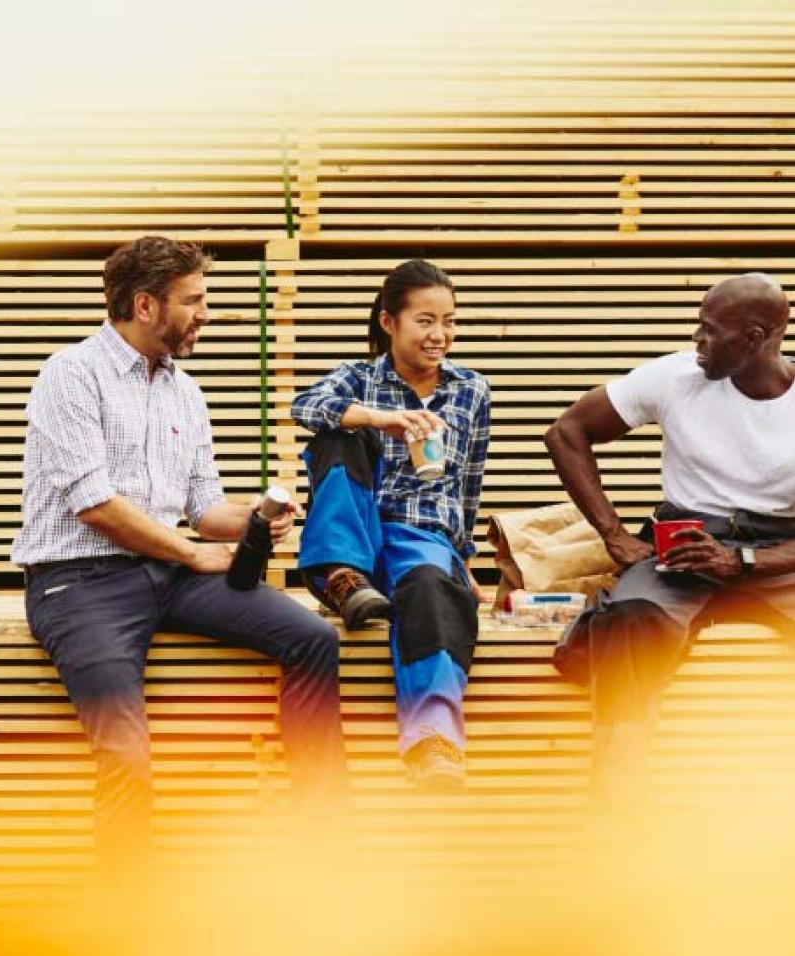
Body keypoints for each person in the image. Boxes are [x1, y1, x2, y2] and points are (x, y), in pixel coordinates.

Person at [11, 236, 347, 866]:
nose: (206, 314)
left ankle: (323, 851)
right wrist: (193, 556)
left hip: (167, 568)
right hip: (78, 583)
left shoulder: (184, 393)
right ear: (145, 305)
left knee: (314, 640)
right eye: (194, 301)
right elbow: (95, 504)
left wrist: (251, 516)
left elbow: (203, 507)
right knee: (124, 749)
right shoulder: (71, 375)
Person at [544, 272, 795, 800]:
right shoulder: (677, 376)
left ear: (754, 338)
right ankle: (620, 782)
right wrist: (614, 535)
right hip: (686, 539)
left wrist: (743, 562)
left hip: (778, 552)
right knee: (629, 617)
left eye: (709, 331)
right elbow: (566, 432)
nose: (696, 342)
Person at [291, 260, 491, 791]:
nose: (440, 335)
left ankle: (433, 741)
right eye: (425, 321)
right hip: (353, 526)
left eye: (449, 321)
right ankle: (342, 576)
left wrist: (463, 560)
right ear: (389, 322)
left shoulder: (471, 391)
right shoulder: (357, 378)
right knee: (339, 435)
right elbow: (304, 406)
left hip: (420, 535)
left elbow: (467, 482)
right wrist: (381, 418)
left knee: (433, 589)